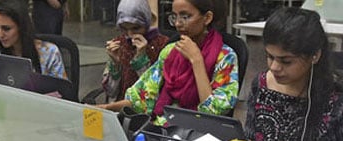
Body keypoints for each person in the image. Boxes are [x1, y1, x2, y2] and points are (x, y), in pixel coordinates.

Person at [244, 7, 343, 141]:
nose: (274, 67)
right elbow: (250, 140)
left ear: (315, 56)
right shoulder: (261, 84)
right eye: (270, 57)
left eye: (286, 61)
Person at [99, 0, 239, 126]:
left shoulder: (226, 57)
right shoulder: (171, 51)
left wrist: (196, 61)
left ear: (207, 18)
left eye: (185, 17)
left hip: (199, 136)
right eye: (174, 16)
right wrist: (105, 108)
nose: (178, 23)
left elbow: (213, 113)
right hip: (163, 130)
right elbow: (141, 97)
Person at [0, 0, 67, 88]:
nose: (0, 34)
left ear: (22, 27)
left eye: (6, 29)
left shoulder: (49, 53)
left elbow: (63, 91)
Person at [102, 0, 171, 102]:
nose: (130, 34)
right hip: (121, 109)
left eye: (136, 28)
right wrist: (115, 65)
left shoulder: (163, 45)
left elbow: (155, 93)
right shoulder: (119, 44)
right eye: (124, 29)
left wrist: (141, 61)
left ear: (146, 22)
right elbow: (111, 92)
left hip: (148, 113)